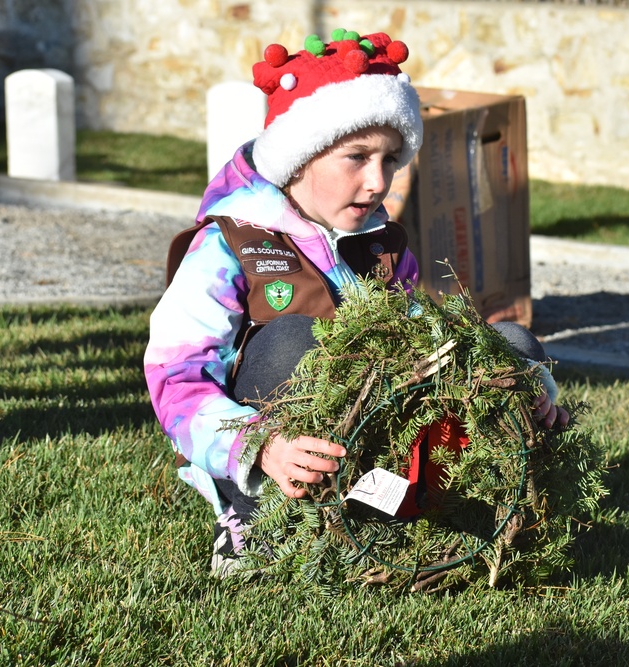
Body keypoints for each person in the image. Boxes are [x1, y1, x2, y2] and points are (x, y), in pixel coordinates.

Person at [144, 28, 568, 576]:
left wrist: (520, 385)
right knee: (296, 337)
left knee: (510, 346)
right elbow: (174, 375)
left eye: (391, 159)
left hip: (364, 434)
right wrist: (260, 448)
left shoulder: (381, 241)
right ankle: (253, 520)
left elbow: (433, 339)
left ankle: (429, 502)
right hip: (269, 444)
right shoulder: (228, 243)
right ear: (300, 158)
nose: (378, 181)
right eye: (356, 157)